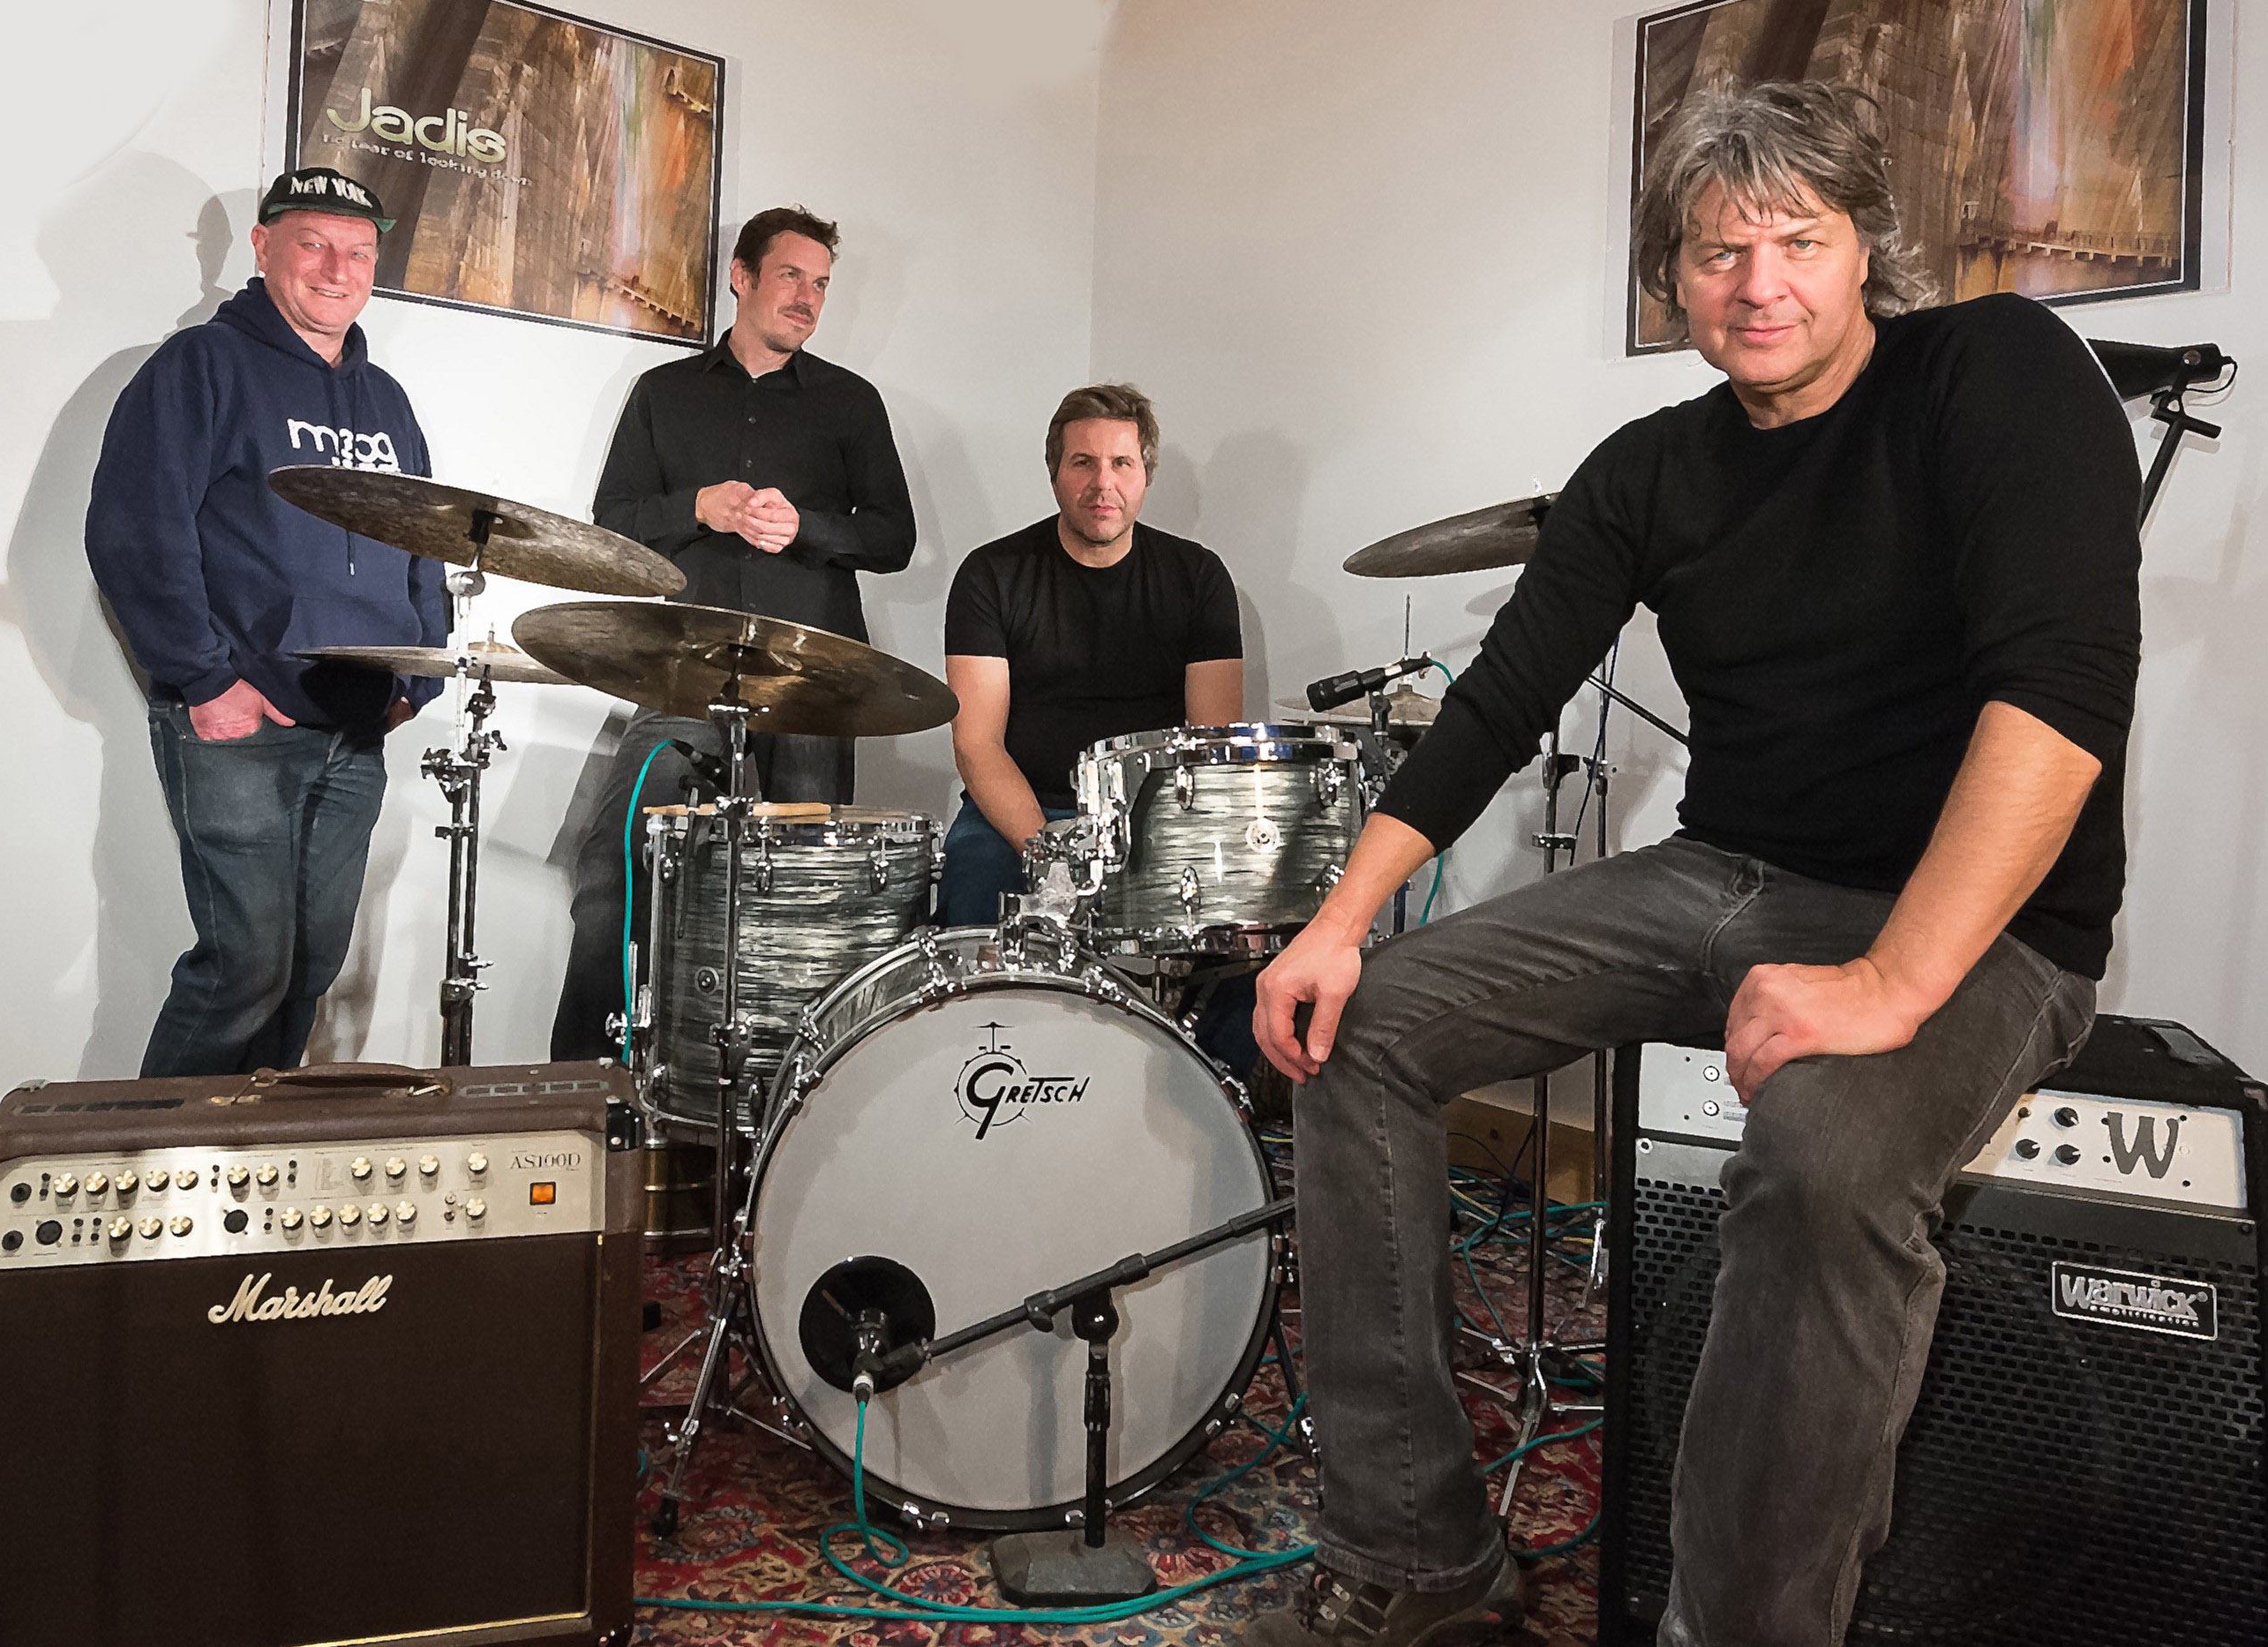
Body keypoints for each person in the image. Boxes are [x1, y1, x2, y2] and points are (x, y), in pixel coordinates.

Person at [1246, 82, 2140, 1647]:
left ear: (1866, 246)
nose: (1759, 283)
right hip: (1723, 870)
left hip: (1978, 921)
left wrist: (1890, 978)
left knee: (1824, 1160)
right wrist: (1337, 921)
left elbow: (2057, 698)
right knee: (1361, 1027)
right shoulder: (1650, 468)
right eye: (1720, 251)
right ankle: (1416, 1559)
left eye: (1798, 238)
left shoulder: (1995, 369)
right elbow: (1499, 702)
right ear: (1674, 277)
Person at [86, 167, 447, 1079]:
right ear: (262, 247)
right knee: (243, 968)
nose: (336, 269)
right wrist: (207, 680)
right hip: (241, 724)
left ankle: (256, 1143)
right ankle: (154, 1153)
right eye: (312, 244)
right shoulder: (201, 366)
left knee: (307, 970)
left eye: (357, 252)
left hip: (355, 727)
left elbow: (426, 546)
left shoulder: (387, 400)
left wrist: (416, 680)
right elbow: (136, 531)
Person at [551, 205, 916, 1060]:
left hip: (810, 685)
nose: (808, 298)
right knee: (618, 871)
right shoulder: (663, 393)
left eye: (821, 284)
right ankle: (585, 1082)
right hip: (682, 676)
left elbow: (893, 538)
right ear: (741, 277)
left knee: (803, 896)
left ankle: (789, 1090)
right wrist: (697, 507)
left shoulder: (851, 403)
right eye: (791, 276)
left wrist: (808, 527)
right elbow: (611, 522)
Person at [940, 383, 1243, 925]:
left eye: (1122, 463)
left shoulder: (1199, 578)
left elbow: (1210, 745)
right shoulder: (990, 575)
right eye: (1083, 462)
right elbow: (977, 745)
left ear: (1145, 475)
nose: (1103, 484)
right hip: (1023, 811)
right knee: (973, 880)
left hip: (1153, 815)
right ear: (1055, 473)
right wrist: (1050, 856)